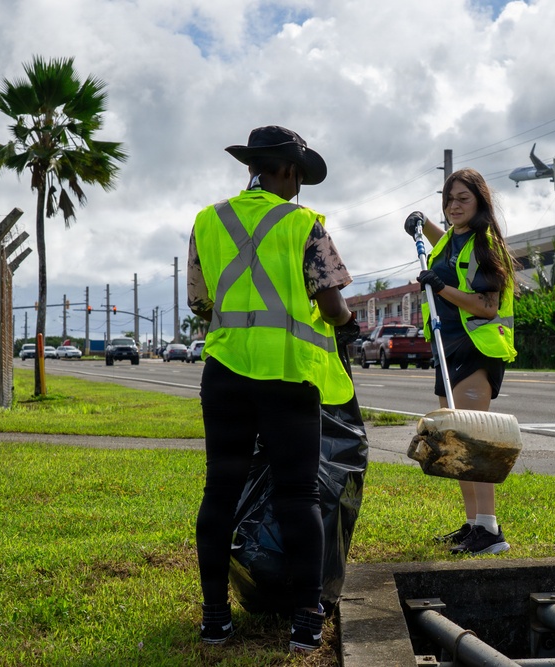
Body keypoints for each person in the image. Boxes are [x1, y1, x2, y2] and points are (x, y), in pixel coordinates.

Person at [187, 125, 359, 651]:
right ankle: (306, 620)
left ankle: (214, 618)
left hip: (225, 374)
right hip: (287, 376)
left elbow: (200, 302)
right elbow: (332, 304)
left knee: (220, 491)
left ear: (251, 168)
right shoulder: (304, 224)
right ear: (284, 170)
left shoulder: (208, 220)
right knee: (298, 493)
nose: (299, 187)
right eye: (298, 176)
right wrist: (347, 322)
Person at [403, 167, 518, 556]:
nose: (454, 206)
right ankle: (474, 525)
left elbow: (487, 306)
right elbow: (449, 245)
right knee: (457, 443)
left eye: (462, 199)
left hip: (476, 349)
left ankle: (491, 531)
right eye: (448, 199)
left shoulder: (486, 245)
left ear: (480, 202)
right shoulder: (455, 239)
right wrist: (423, 223)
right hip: (447, 347)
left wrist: (441, 288)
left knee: (475, 444)